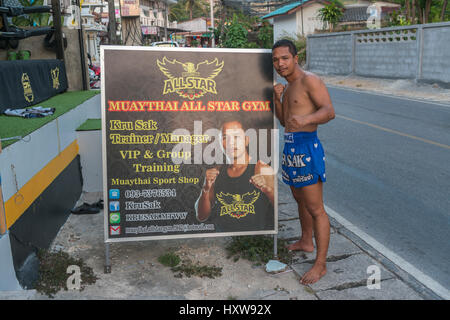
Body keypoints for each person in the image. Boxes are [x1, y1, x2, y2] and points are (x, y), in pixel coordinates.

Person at [272, 39, 335, 285]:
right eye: (276, 60)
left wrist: (306, 118)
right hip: (290, 149)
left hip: (308, 148)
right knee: (299, 199)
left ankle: (320, 265)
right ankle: (306, 240)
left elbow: (329, 111)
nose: (280, 63)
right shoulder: (286, 87)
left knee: (316, 208)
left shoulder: (310, 80)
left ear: (295, 58)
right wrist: (278, 99)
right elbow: (283, 121)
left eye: (284, 58)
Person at [195, 120, 275, 233]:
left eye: (236, 136)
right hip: (223, 240)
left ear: (246, 140)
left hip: (254, 239)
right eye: (224, 138)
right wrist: (205, 190)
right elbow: (202, 216)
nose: (231, 143)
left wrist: (269, 191)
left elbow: (279, 210)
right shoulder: (216, 172)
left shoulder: (261, 169)